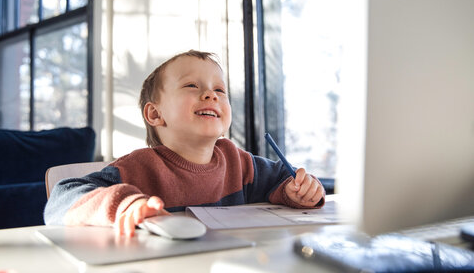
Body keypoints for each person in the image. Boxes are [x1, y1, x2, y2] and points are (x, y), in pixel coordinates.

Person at [44, 50, 325, 236]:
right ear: (155, 113)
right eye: (192, 86)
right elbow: (60, 198)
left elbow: (281, 181)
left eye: (219, 89)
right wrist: (123, 205)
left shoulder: (238, 161)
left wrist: (298, 190)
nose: (210, 95)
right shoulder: (138, 167)